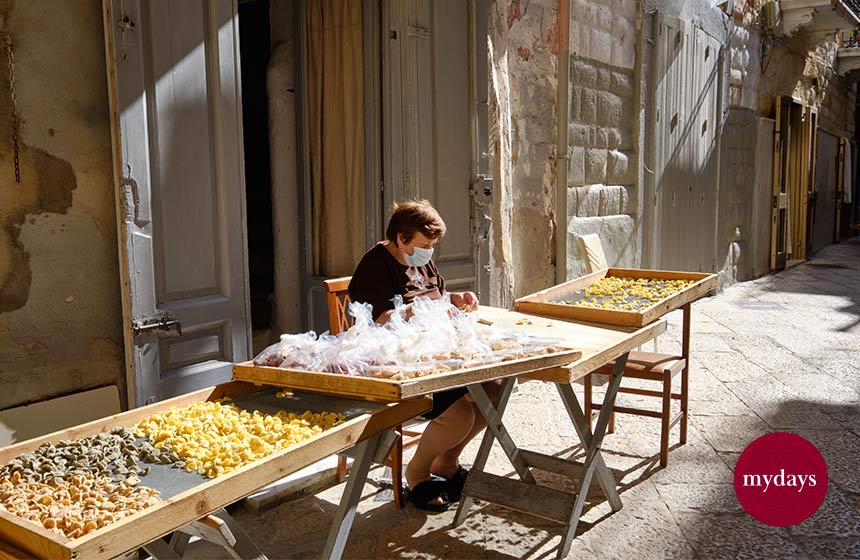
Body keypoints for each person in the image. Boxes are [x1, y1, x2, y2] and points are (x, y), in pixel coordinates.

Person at [349, 199, 494, 511]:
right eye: (425, 244)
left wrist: (457, 298)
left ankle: (447, 463)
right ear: (402, 239)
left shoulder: (420, 258)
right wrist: (410, 312)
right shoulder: (374, 266)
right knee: (461, 413)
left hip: (438, 350)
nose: (430, 251)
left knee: (492, 393)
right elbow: (371, 322)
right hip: (398, 361)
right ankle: (416, 474)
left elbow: (438, 297)